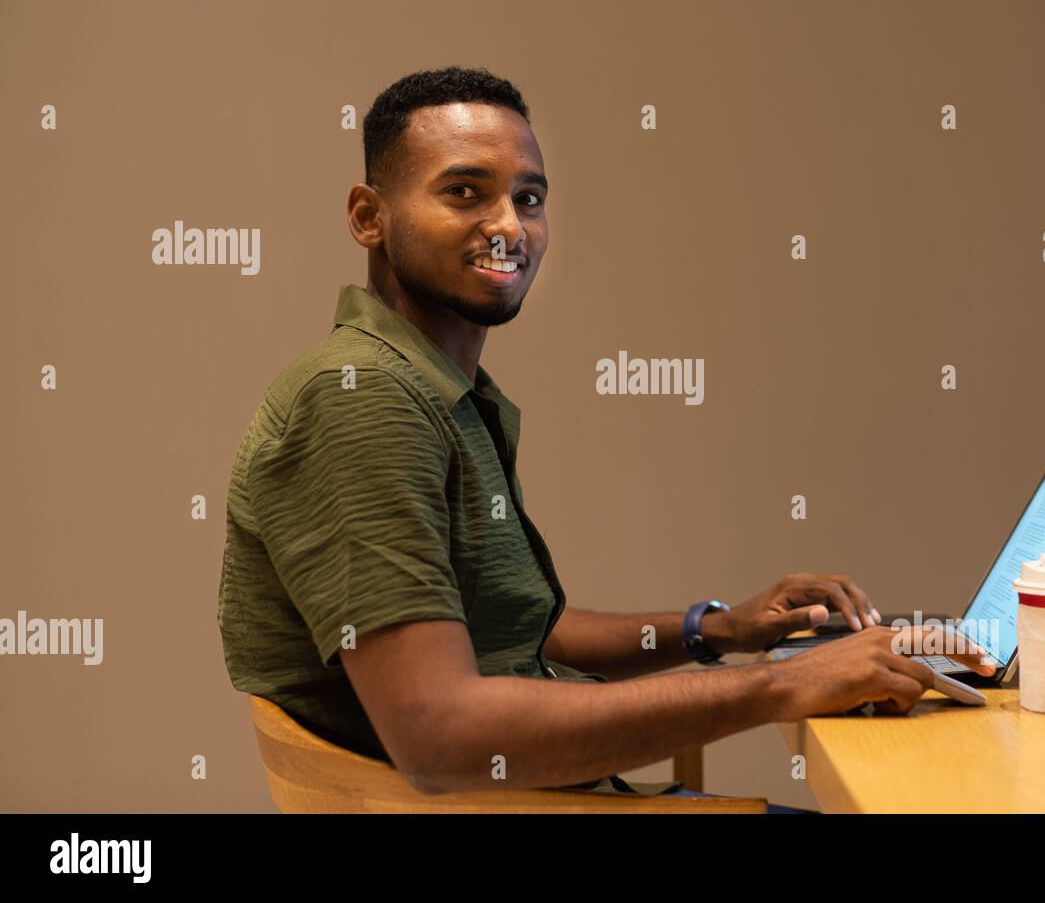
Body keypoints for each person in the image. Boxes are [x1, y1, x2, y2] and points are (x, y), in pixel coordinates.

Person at [217, 66, 994, 812]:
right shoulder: (361, 401)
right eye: (464, 192)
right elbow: (439, 733)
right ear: (368, 216)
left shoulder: (431, 390)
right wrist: (783, 684)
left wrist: (718, 629)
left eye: (530, 197)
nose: (508, 227)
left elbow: (516, 629)